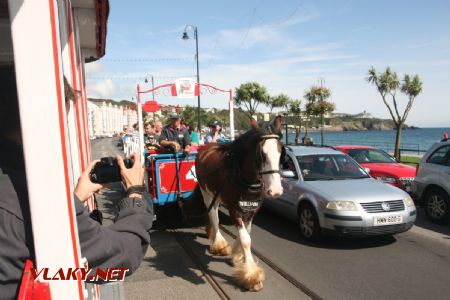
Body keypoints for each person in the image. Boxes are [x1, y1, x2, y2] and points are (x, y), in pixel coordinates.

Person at [0, 65, 153, 299]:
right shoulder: (31, 195)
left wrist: (76, 198)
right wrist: (135, 193)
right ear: (41, 117)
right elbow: (119, 261)